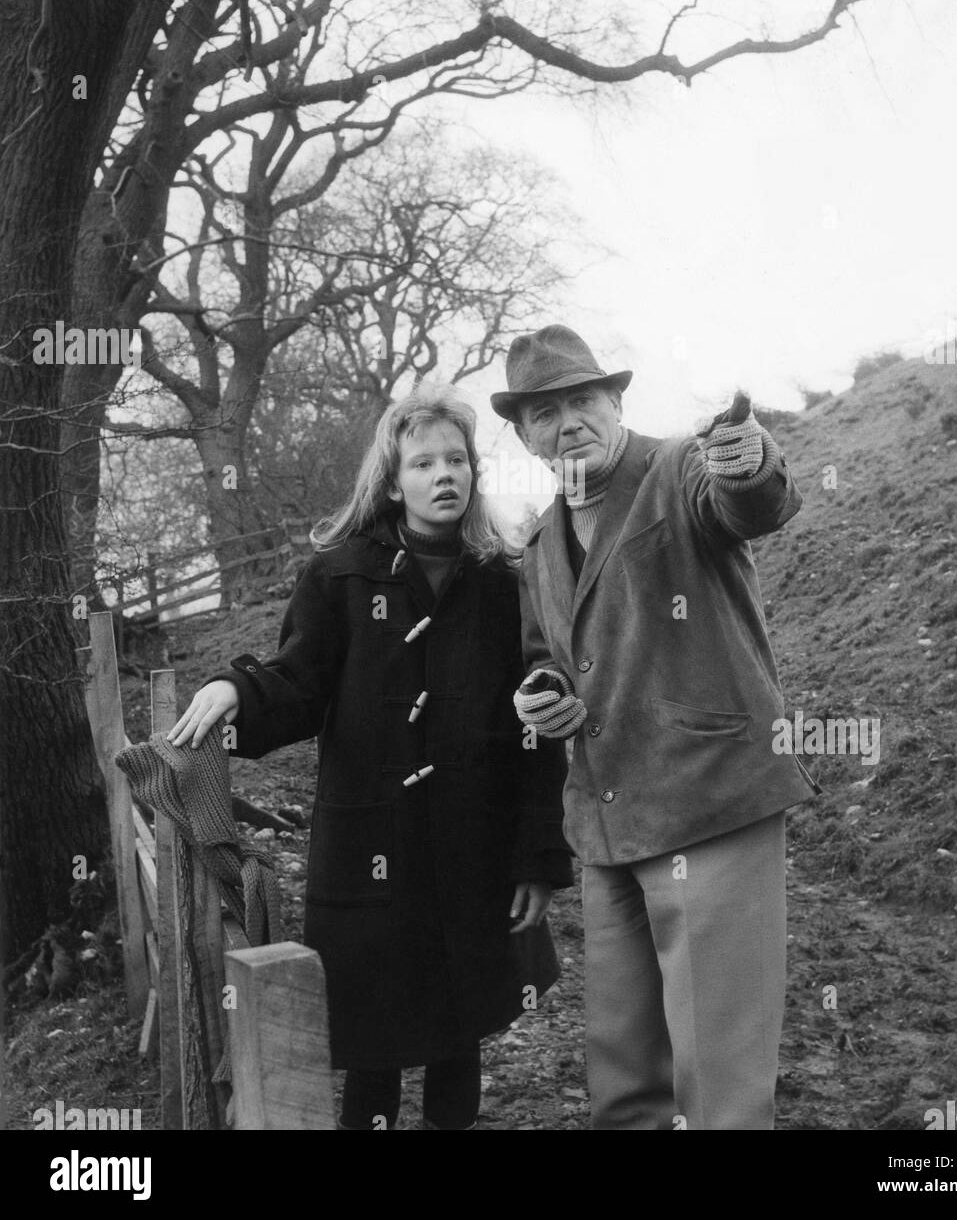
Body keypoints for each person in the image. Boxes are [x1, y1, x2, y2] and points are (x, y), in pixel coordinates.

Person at [168, 386, 572, 1130]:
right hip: (369, 848)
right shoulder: (341, 576)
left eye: (457, 459)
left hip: (471, 848)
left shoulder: (501, 584)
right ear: (393, 480)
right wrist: (237, 687)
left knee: (461, 1033)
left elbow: (536, 737)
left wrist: (537, 858)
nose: (444, 474)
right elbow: (297, 681)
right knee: (372, 1041)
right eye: (424, 462)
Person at [491, 324, 818, 1131]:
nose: (567, 422)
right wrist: (541, 693)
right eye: (543, 412)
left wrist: (750, 463)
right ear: (524, 434)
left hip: (710, 804)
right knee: (626, 1083)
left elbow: (746, 500)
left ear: (615, 401)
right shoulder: (538, 542)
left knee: (719, 1089)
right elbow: (548, 657)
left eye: (582, 400)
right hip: (606, 826)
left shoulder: (677, 469)